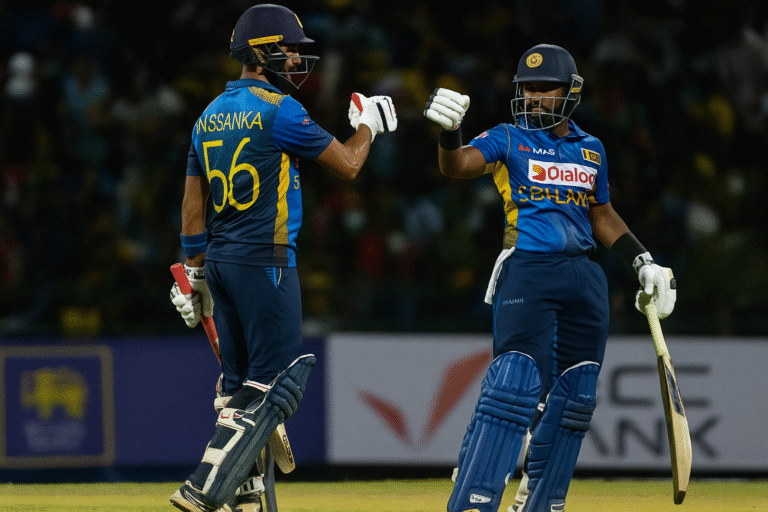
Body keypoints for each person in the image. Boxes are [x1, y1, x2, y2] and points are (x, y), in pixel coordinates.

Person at [423, 44, 676, 512]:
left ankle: (540, 502)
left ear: (571, 92)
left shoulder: (592, 149)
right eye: (527, 89)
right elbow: (456, 167)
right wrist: (450, 133)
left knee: (577, 396)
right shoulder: (506, 137)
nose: (534, 97)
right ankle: (475, 499)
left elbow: (601, 214)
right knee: (514, 386)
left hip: (585, 276)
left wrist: (643, 261)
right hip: (529, 270)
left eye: (545, 89)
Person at [168, 4, 397, 512]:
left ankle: (248, 499)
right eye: (288, 49)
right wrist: (369, 127)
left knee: (237, 391)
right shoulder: (280, 109)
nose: (296, 58)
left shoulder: (207, 116)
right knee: (276, 385)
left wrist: (196, 273)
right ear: (260, 52)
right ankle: (205, 485)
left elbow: (191, 204)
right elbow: (348, 164)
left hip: (222, 264)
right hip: (265, 261)